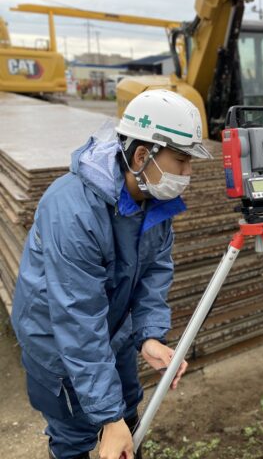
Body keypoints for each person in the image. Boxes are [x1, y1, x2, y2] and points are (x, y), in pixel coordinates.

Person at [11, 89, 212, 459]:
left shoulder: (154, 203)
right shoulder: (73, 210)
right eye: (182, 160)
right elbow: (77, 317)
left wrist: (149, 335)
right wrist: (107, 416)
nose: (188, 173)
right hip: (57, 341)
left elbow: (154, 273)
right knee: (74, 433)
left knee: (127, 410)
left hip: (109, 332)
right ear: (142, 156)